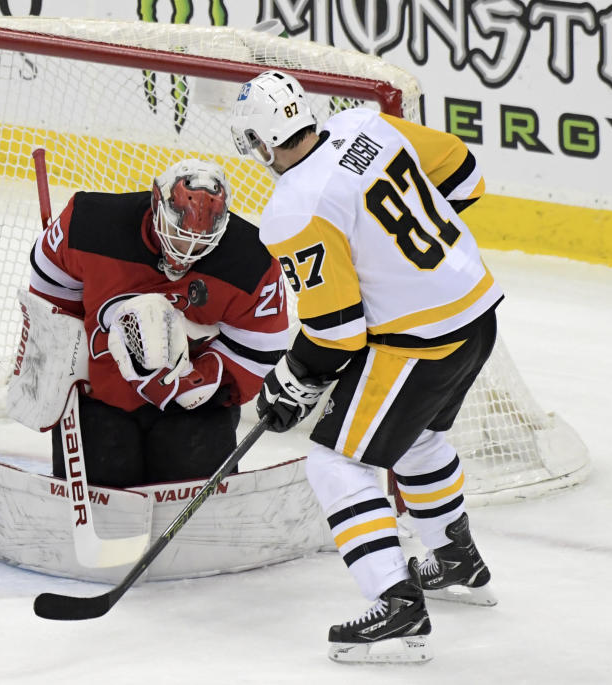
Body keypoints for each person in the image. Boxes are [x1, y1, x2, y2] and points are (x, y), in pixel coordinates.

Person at [230, 70, 501, 664]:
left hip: (421, 342)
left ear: (261, 142)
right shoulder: (364, 124)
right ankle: (454, 558)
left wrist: (290, 379)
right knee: (418, 436)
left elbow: (337, 333)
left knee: (335, 461)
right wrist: (405, 257)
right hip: (476, 309)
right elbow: (464, 172)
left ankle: (398, 607)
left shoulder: (292, 209)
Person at [27, 158, 289, 488]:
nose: (188, 250)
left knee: (195, 499)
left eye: (201, 240)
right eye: (179, 236)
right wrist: (62, 360)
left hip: (192, 409)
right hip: (99, 396)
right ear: (157, 202)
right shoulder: (88, 224)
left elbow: (260, 352)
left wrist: (192, 383)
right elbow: (48, 292)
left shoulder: (251, 262)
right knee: (103, 487)